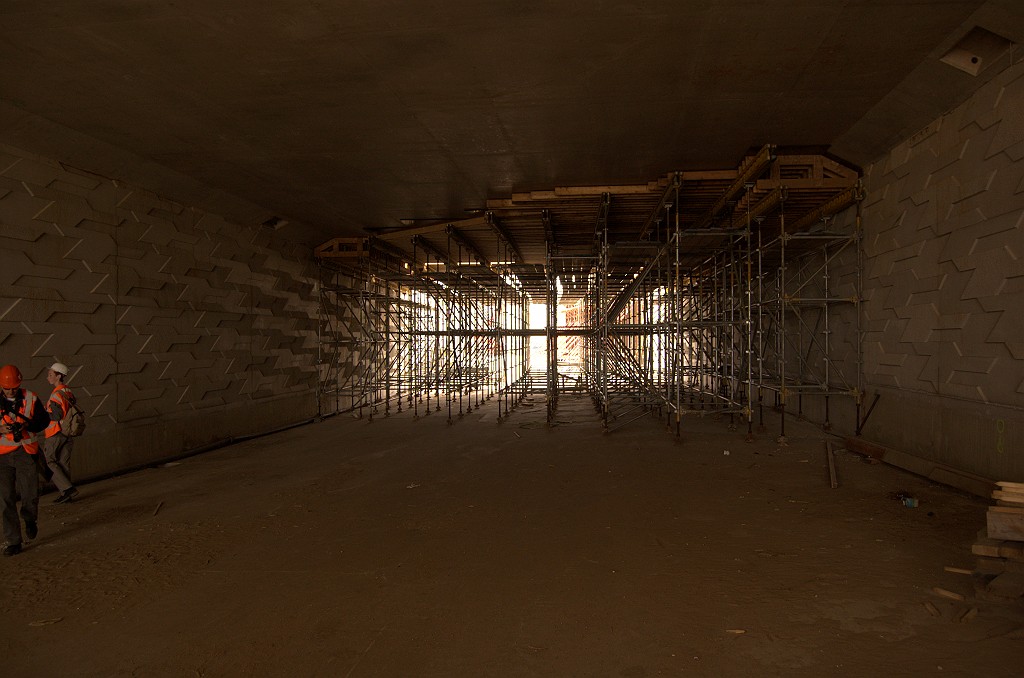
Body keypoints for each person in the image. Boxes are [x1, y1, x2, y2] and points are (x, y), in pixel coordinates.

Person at [0, 364, 49, 557]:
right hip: (2, 455)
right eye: (7, 388)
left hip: (25, 451)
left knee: (30, 493)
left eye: (14, 387)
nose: (11, 390)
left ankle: (30, 519)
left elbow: (44, 421)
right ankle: (13, 541)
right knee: (5, 500)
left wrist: (27, 424)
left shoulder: (31, 398)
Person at [44, 362, 79, 504]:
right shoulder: (67, 391)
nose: (48, 377)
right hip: (68, 433)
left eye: (51, 375)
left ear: (59, 376)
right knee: (63, 463)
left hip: (55, 432)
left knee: (49, 462)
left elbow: (56, 416)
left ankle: (68, 489)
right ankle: (67, 494)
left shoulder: (55, 395)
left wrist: (43, 414)